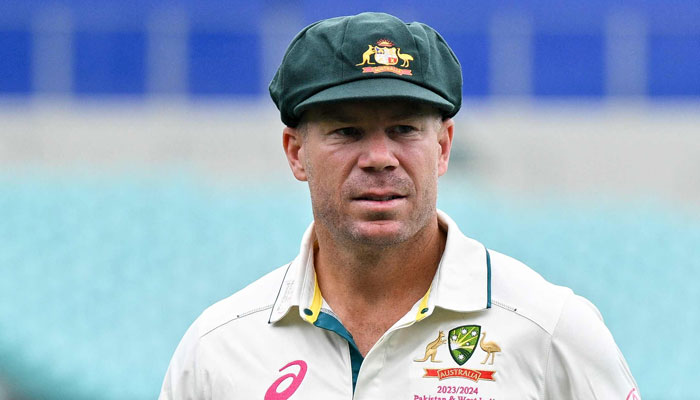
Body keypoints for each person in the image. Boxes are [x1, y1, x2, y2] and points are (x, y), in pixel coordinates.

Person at [159, 12, 640, 400]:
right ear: (296, 152)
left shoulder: (550, 328)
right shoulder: (218, 349)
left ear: (444, 147)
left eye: (404, 130)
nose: (379, 158)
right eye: (346, 132)